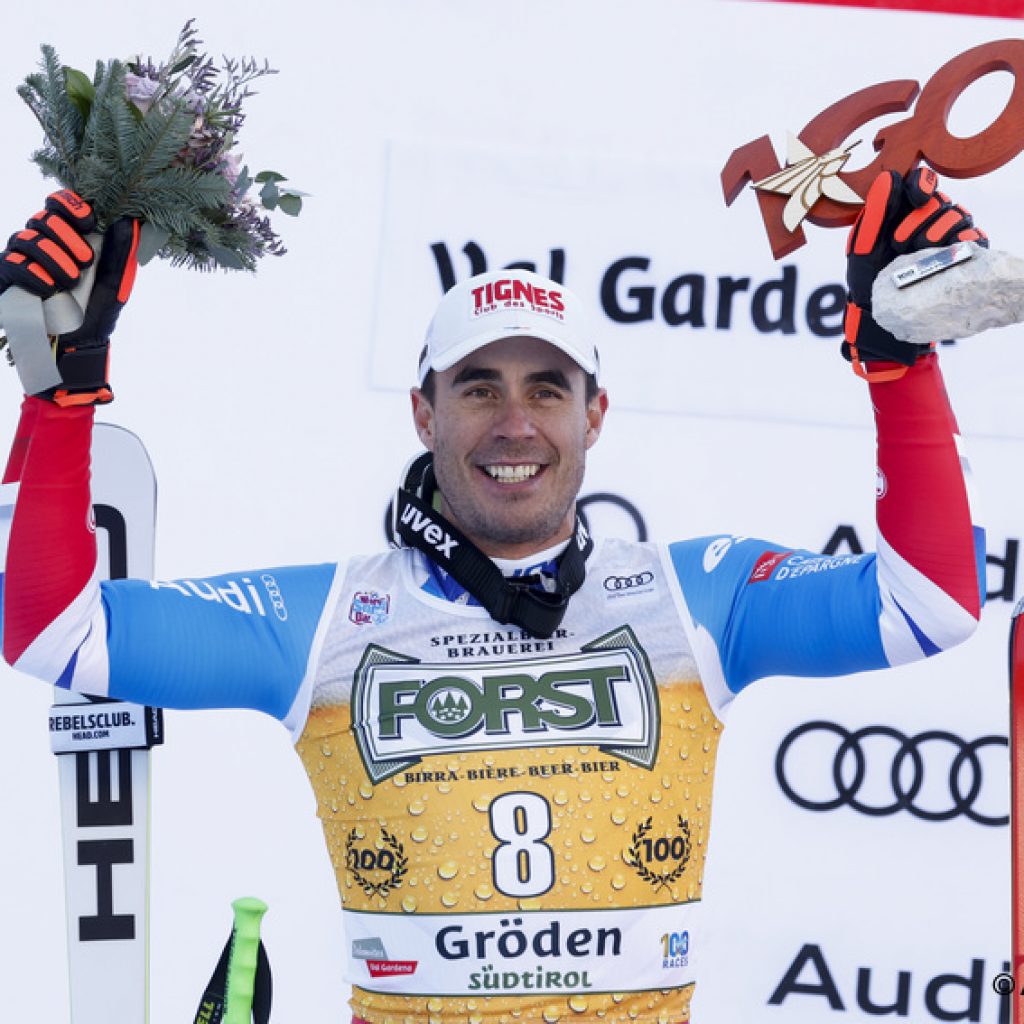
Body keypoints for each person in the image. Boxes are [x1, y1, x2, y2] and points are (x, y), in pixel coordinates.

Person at [0, 168, 986, 1024]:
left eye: (546, 388)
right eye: (477, 387)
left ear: (594, 415)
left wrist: (899, 365)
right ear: (423, 413)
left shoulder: (695, 595)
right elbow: (52, 629)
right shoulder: (324, 619)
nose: (515, 423)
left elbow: (929, 604)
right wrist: (59, 392)